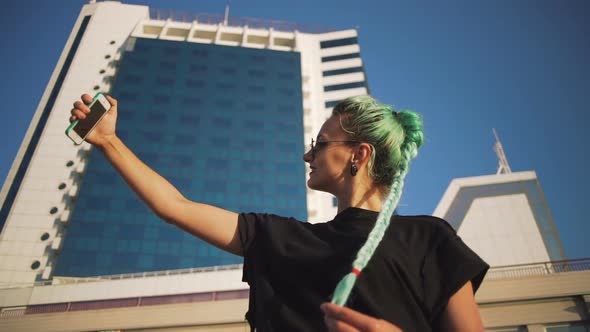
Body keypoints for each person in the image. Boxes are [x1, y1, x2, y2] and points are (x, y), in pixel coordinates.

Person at [70, 94, 488, 331]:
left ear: (359, 155)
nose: (307, 153)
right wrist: (108, 141)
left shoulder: (429, 240)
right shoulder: (278, 237)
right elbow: (173, 206)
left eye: (320, 144)